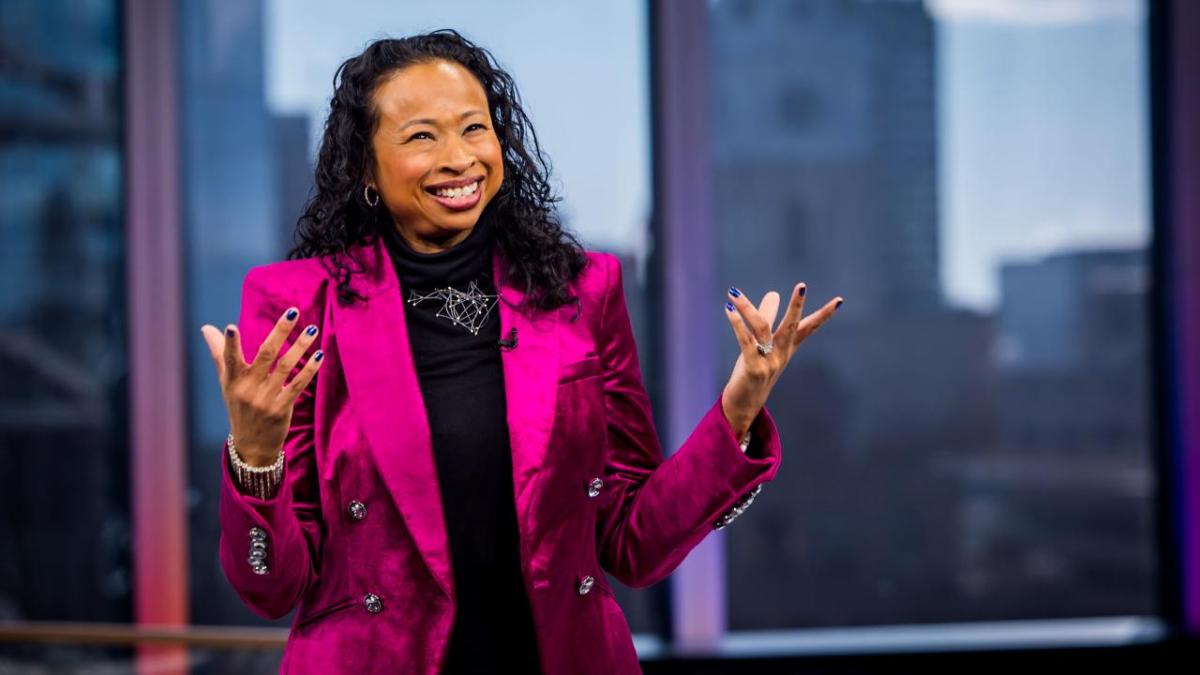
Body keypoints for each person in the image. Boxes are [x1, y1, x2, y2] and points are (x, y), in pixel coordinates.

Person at [198, 29, 841, 675]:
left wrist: (736, 413)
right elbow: (270, 585)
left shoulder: (582, 290)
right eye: (422, 136)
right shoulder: (297, 302)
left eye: (474, 128)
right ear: (364, 165)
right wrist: (255, 457)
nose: (459, 158)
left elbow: (633, 545)